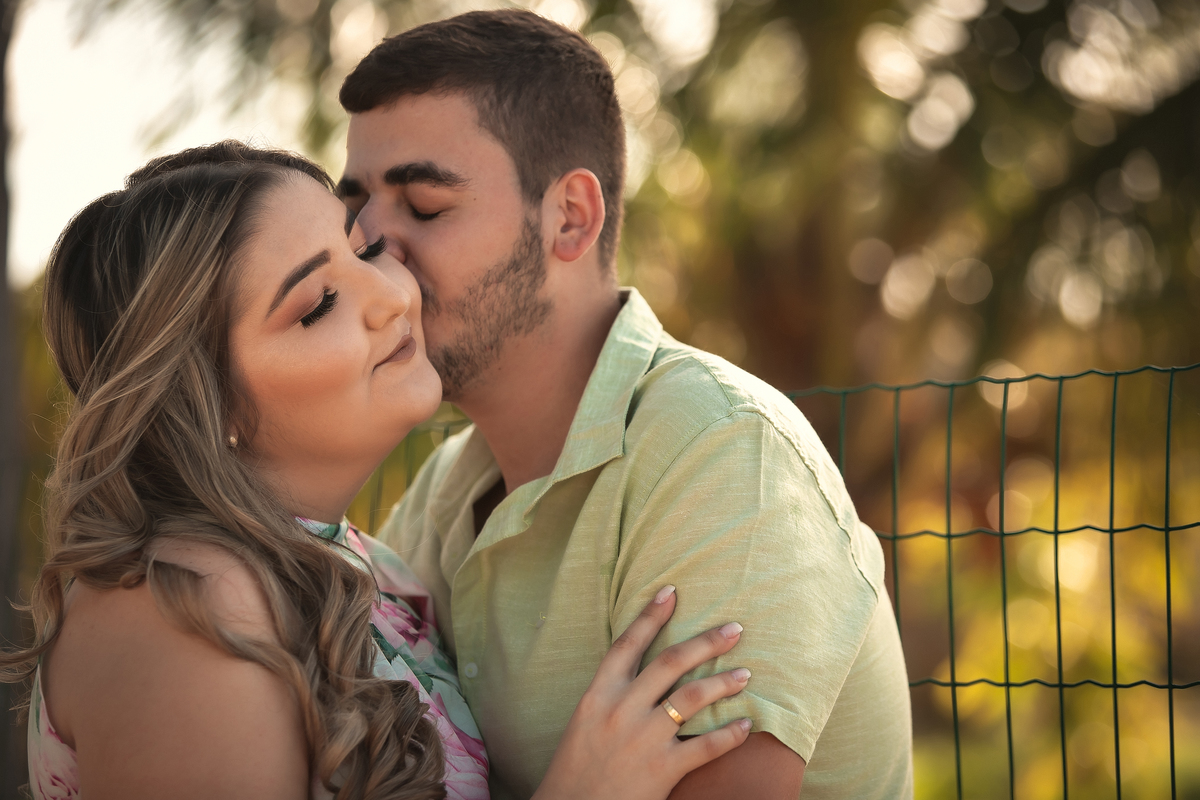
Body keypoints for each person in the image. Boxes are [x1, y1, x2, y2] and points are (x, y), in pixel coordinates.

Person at [0, 141, 757, 799]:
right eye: (318, 302)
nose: (393, 294)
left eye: (361, 251)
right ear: (202, 404)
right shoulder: (185, 611)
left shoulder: (361, 567)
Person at [340, 10, 913, 799]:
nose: (369, 248)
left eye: (425, 206)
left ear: (569, 217)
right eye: (358, 211)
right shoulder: (447, 491)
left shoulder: (720, 456)